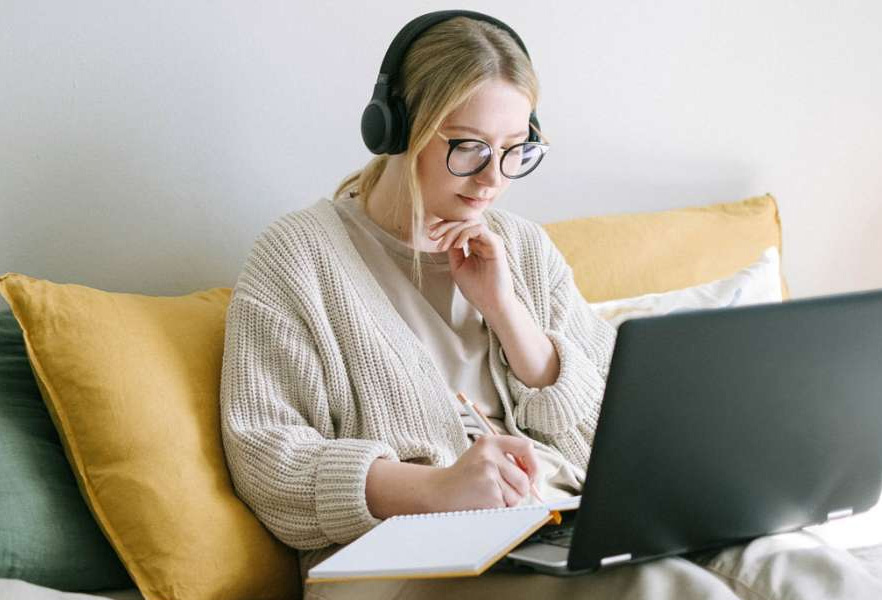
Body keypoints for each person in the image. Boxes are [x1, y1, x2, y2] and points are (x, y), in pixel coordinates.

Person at [219, 10, 882, 599]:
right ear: (396, 128)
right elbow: (268, 462)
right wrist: (436, 490)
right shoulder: (298, 257)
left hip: (557, 525)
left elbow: (614, 442)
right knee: (669, 590)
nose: (492, 181)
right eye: (469, 148)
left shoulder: (520, 248)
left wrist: (513, 321)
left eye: (515, 153)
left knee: (802, 568)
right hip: (395, 567)